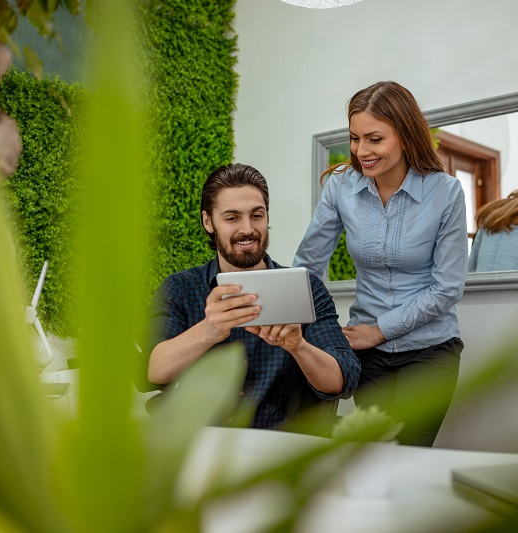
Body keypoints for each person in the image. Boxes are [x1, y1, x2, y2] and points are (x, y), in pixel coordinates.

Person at [293, 81, 468, 447]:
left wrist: (381, 329)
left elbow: (447, 287)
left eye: (375, 139)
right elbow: (309, 264)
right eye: (355, 139)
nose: (361, 151)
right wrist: (315, 333)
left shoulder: (445, 193)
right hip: (367, 355)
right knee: (374, 456)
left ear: (404, 135)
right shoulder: (341, 188)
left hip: (430, 350)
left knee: (412, 456)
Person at [144, 163, 360, 433]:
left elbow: (343, 380)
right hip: (206, 446)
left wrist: (298, 346)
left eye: (257, 215)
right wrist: (208, 331)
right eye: (232, 218)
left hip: (285, 449)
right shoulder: (181, 288)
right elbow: (154, 372)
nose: (247, 229)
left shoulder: (307, 287)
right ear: (208, 221)